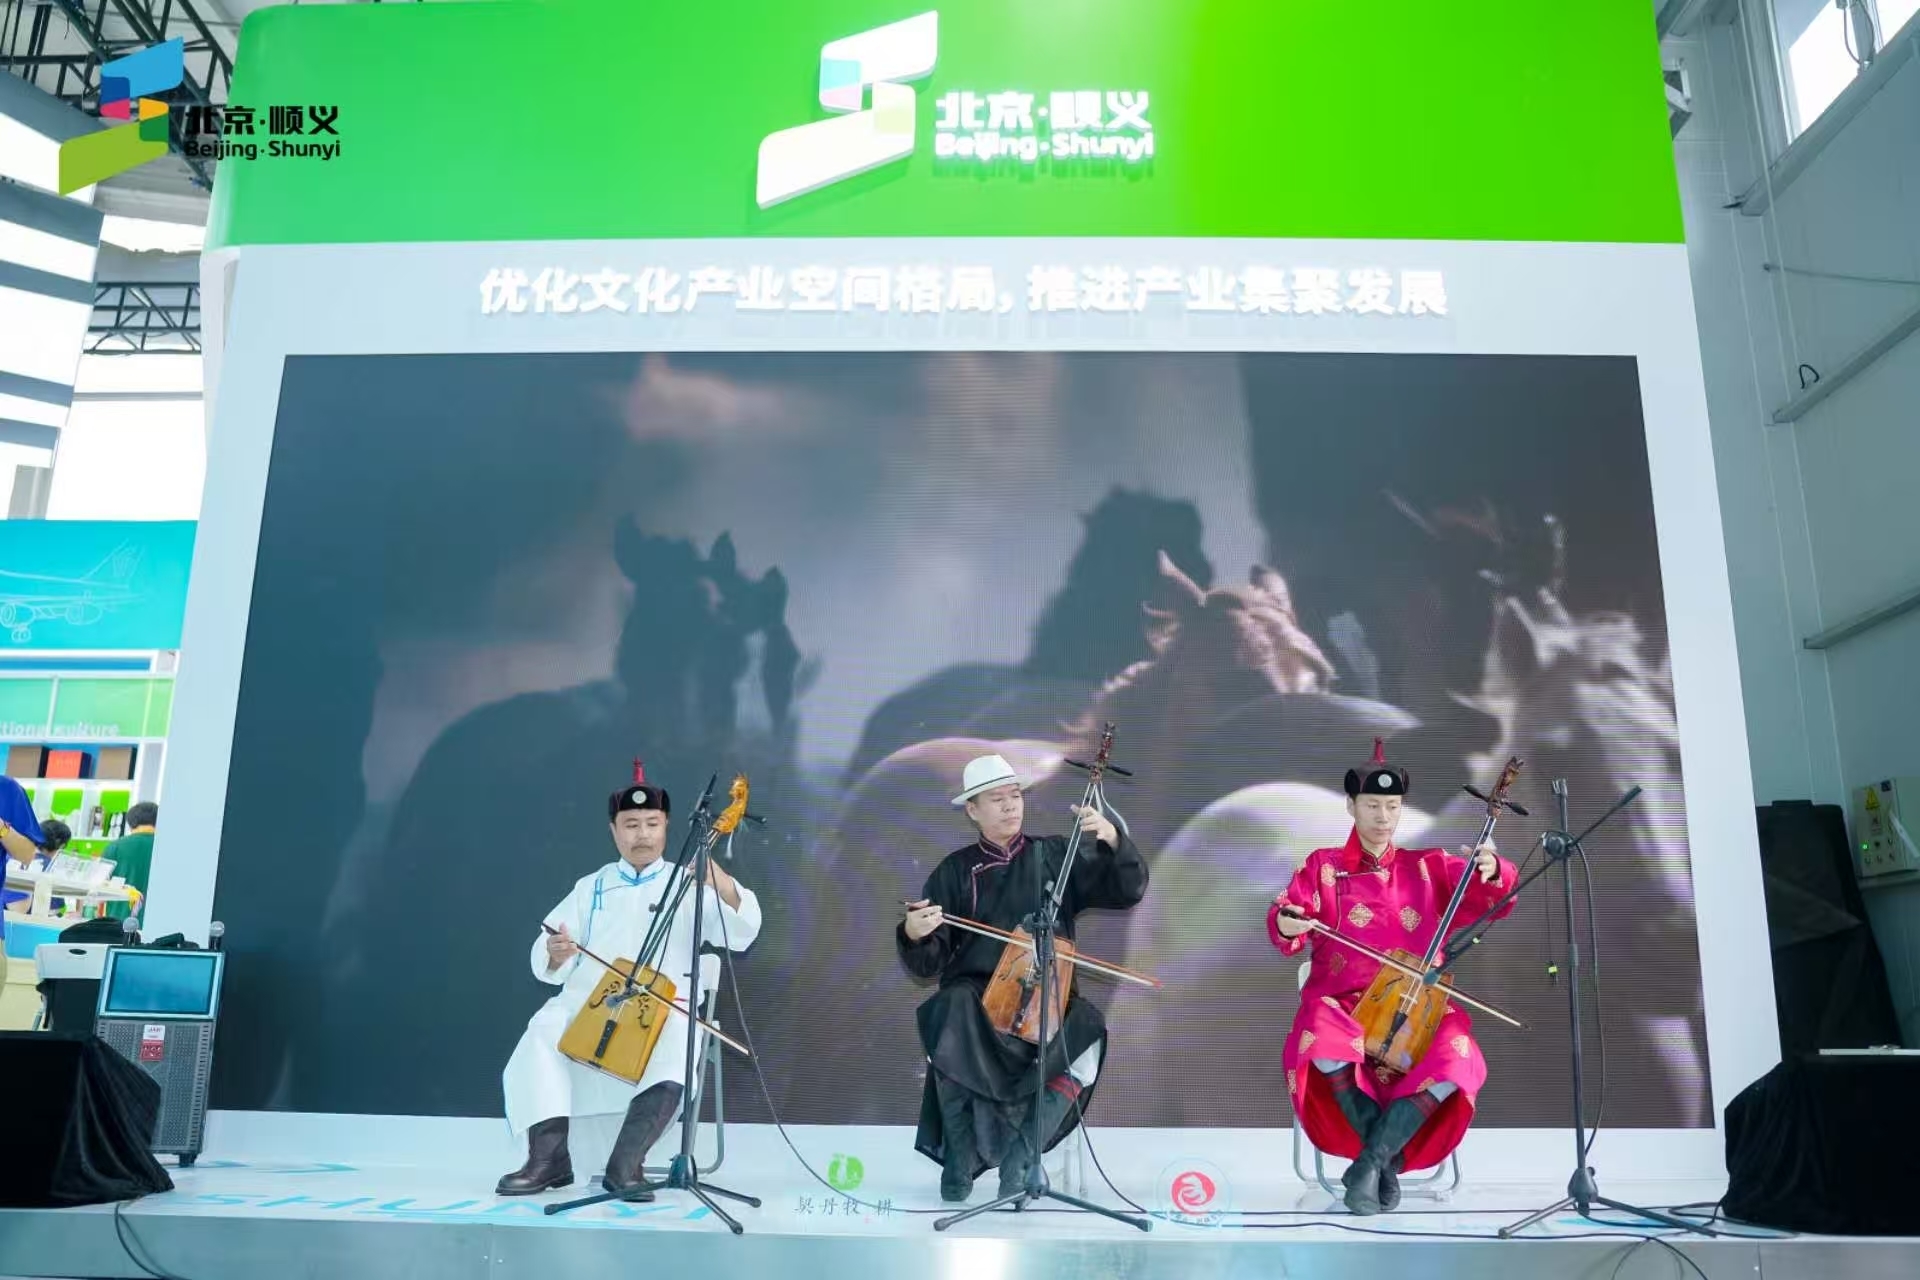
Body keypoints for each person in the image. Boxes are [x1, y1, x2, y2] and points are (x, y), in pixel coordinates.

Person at [1267, 739, 1516, 1216]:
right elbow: (1287, 915)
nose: (1383, 817)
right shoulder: (1323, 866)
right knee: (1320, 1034)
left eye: (1392, 807)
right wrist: (1287, 921)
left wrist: (1491, 869)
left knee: (1460, 1058)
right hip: (1343, 1005)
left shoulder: (1427, 867)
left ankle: (1371, 1163)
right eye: (1372, 805)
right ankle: (1381, 1162)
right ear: (1351, 806)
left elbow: (1491, 896)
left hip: (1418, 1008)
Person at [497, 765, 763, 1197]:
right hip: (593, 1003)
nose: (642, 835)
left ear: (666, 826)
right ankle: (549, 1160)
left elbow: (744, 931)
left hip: (664, 1009)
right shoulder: (592, 887)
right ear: (614, 830)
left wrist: (720, 880)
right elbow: (546, 947)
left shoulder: (689, 883)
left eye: (652, 824)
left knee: (678, 1042)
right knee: (542, 1032)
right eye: (631, 824)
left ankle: (626, 1165)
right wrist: (554, 952)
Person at [898, 753, 1149, 1202]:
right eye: (996, 799)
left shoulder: (1054, 856)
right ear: (972, 809)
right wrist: (915, 934)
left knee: (1087, 1028)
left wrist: (1112, 837)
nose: (1010, 805)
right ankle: (959, 1157)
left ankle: (1022, 1156)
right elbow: (929, 963)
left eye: (1015, 796)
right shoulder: (953, 872)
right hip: (977, 1003)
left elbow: (1126, 889)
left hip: (1047, 998)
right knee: (947, 1007)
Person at [103, 802, 157, 920]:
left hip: (117, 921)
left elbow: (100, 887)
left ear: (130, 822)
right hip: (155, 921)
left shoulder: (114, 847)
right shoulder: (169, 848)